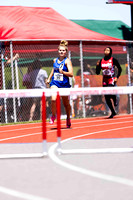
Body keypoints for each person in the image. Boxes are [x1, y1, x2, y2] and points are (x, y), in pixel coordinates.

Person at [47, 40, 73, 128]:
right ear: (58, 51)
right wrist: (49, 78)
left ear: (66, 52)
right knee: (53, 99)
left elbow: (71, 74)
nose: (61, 52)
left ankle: (68, 118)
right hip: (55, 83)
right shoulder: (55, 60)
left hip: (64, 84)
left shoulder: (67, 61)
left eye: (63, 50)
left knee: (66, 104)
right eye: (60, 50)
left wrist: (63, 72)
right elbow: (53, 70)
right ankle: (53, 115)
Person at [96, 47, 122, 118]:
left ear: (110, 52)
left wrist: (117, 77)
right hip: (105, 80)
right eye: (105, 50)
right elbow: (97, 72)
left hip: (111, 79)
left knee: (110, 92)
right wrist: (97, 66)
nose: (106, 51)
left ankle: (115, 98)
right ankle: (113, 112)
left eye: (108, 50)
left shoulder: (113, 60)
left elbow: (120, 68)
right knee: (106, 97)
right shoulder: (101, 61)